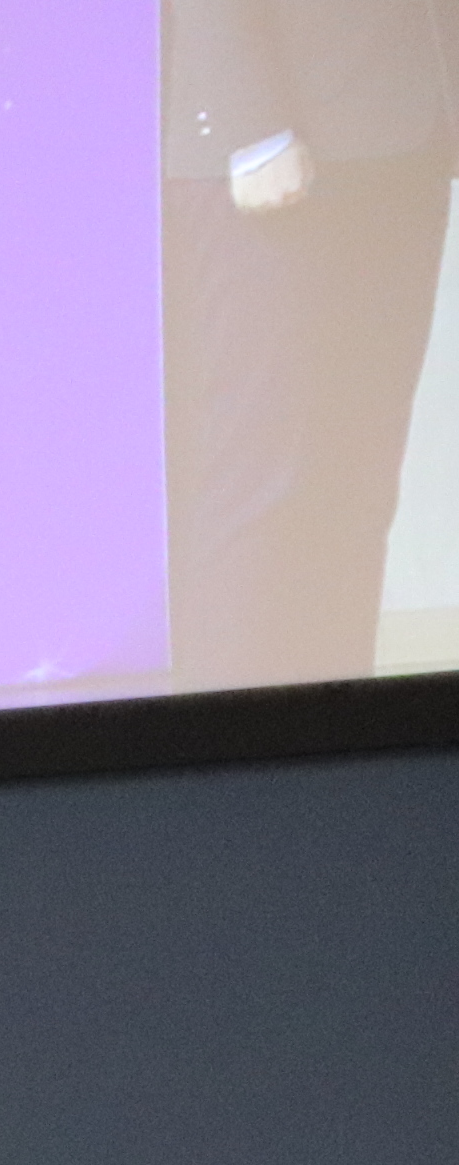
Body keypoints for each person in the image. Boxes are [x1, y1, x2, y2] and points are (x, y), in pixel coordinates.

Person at [163, 0, 459, 689]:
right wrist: (247, 124)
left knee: (357, 482)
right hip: (270, 147)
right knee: (263, 486)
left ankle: (334, 733)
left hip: (404, 131)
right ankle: (232, 740)